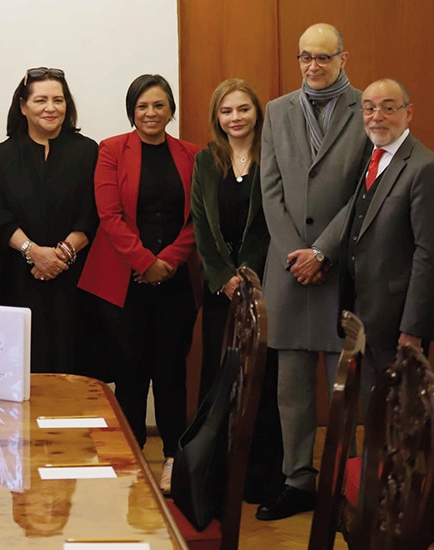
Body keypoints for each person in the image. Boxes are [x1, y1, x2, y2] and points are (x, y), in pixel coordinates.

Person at [255, 23, 368, 521]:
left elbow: (366, 191)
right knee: (292, 390)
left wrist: (321, 252)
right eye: (305, 57)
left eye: (324, 58)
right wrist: (297, 254)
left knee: (347, 390)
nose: (313, 67)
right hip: (288, 270)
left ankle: (345, 485)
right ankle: (298, 480)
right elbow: (270, 189)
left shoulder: (366, 107)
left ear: (344, 58)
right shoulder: (277, 111)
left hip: (341, 269)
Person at [76, 74, 200, 495]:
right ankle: (128, 459)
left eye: (159, 105)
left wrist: (167, 262)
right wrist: (145, 262)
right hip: (123, 286)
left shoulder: (191, 155)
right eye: (143, 106)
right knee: (128, 376)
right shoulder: (111, 150)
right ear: (132, 110)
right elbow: (109, 216)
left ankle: (172, 460)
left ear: (171, 110)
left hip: (174, 285)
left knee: (170, 375)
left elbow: (196, 219)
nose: (151, 113)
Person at [189, 78, 283, 502]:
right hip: (220, 292)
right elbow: (201, 227)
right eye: (227, 111)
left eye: (243, 109)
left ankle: (262, 478)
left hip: (265, 289)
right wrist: (224, 277)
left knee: (263, 381)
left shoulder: (274, 157)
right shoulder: (206, 161)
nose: (235, 118)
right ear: (217, 118)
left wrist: (249, 276)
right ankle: (219, 477)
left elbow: (274, 223)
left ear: (257, 112)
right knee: (220, 379)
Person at [0, 67, 97, 375]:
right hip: (18, 281)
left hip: (73, 282)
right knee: (20, 369)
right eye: (41, 100)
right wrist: (33, 251)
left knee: (74, 369)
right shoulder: (3, 155)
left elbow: (93, 212)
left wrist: (61, 254)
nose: (51, 108)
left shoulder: (88, 151)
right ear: (23, 106)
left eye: (58, 100)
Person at [335, 79, 434, 398]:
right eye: (369, 108)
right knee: (374, 419)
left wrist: (413, 329)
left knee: (401, 425)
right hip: (362, 316)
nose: (377, 115)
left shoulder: (423, 167)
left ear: (409, 112)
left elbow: (427, 253)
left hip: (397, 325)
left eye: (388, 107)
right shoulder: (372, 158)